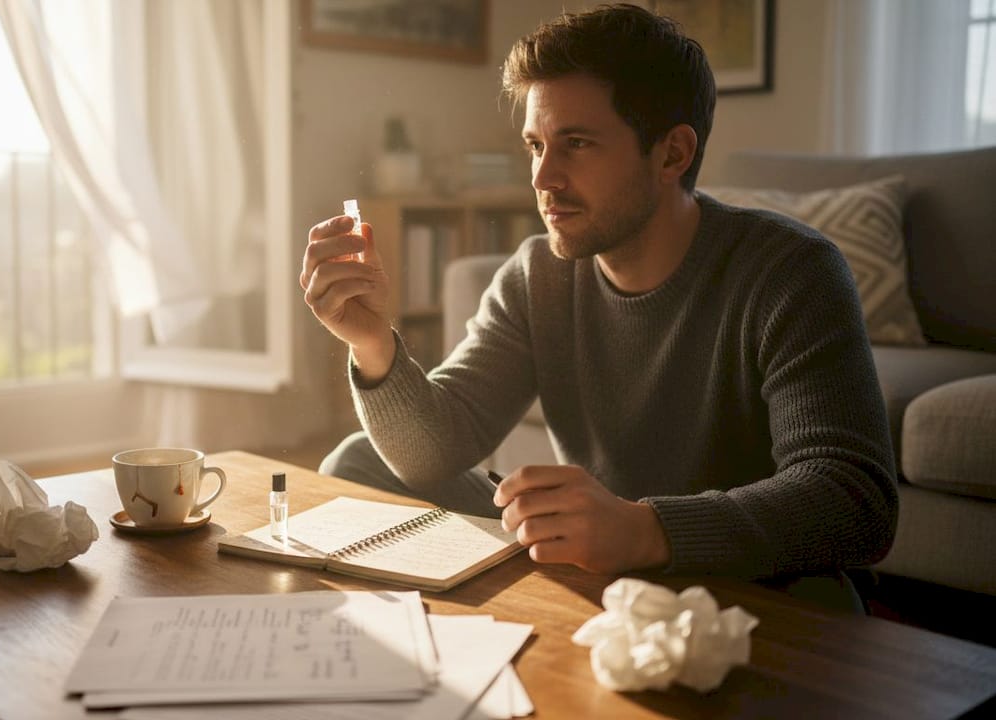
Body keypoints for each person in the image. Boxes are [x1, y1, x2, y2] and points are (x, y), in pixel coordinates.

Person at [299, 5, 896, 610]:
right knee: (359, 462)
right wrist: (371, 342)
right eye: (536, 145)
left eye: (576, 144)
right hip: (596, 557)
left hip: (742, 574)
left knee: (828, 600)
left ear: (672, 155)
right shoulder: (538, 277)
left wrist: (644, 529)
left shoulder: (791, 271)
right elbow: (437, 451)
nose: (542, 178)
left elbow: (853, 498)